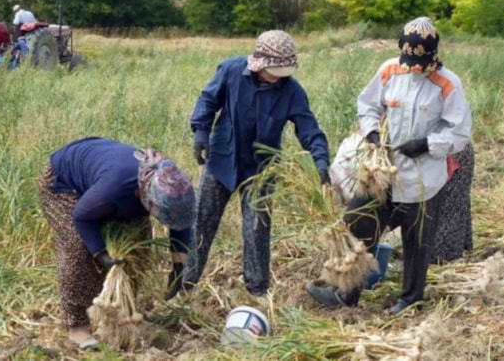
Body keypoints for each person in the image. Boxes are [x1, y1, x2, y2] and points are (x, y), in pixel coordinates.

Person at [305, 17, 472, 315]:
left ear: (433, 55)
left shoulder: (448, 83)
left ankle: (410, 299)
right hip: (380, 174)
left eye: (422, 61)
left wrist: (425, 145)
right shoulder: (389, 70)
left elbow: (459, 132)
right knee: (357, 225)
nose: (415, 68)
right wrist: (371, 131)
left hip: (423, 178)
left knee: (417, 242)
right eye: (410, 60)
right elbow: (367, 105)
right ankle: (346, 293)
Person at [185, 29, 331, 297]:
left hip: (262, 169)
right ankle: (186, 282)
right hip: (222, 159)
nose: (278, 77)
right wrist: (201, 133)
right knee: (202, 223)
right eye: (274, 70)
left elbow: (308, 128)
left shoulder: (291, 91)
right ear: (260, 63)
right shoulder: (231, 71)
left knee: (257, 229)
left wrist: (321, 161)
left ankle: (257, 291)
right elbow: (207, 100)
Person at [39, 137, 195, 350]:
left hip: (111, 184)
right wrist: (101, 255)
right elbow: (82, 217)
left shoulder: (174, 186)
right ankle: (77, 326)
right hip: (64, 183)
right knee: (78, 249)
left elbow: (180, 221)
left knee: (137, 250)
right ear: (149, 199)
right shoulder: (115, 188)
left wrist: (179, 267)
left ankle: (124, 313)